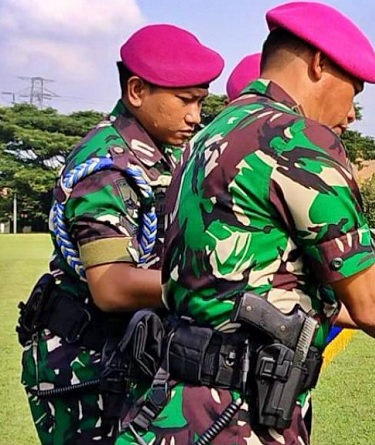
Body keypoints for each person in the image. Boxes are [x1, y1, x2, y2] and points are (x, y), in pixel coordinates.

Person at [116, 3, 375, 445]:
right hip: (241, 416)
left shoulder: (212, 133)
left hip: (176, 405)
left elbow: (261, 287)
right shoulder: (299, 141)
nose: (352, 114)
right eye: (353, 92)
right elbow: (371, 303)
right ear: (319, 65)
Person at [15, 24, 223, 445]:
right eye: (185, 100)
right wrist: (219, 286)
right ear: (136, 90)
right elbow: (111, 284)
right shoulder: (108, 167)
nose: (195, 116)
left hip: (124, 356)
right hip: (84, 370)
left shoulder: (164, 154)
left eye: (200, 101)